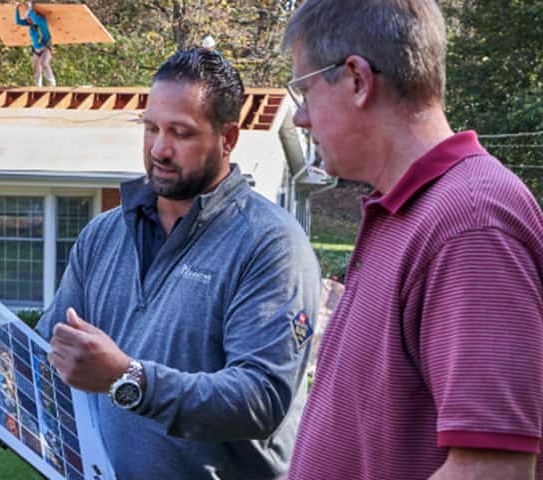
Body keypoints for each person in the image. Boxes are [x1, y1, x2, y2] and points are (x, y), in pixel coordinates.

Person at [282, 1, 543, 479]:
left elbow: (493, 470)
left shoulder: (472, 223)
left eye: (305, 90)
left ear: (358, 80)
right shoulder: (412, 211)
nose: (301, 118)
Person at [37, 48, 320, 479]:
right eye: (150, 128)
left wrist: (128, 379)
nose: (159, 149)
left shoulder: (270, 243)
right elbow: (46, 351)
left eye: (181, 133)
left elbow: (260, 398)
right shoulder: (104, 235)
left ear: (228, 138)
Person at [15, 1, 56, 87]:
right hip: (36, 50)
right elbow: (18, 21)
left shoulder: (41, 21)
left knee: (44, 63)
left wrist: (30, 9)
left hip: (45, 48)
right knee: (36, 68)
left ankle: (52, 84)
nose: (28, 21)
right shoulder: (31, 24)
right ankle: (38, 86)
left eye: (29, 19)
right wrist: (17, 8)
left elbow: (36, 20)